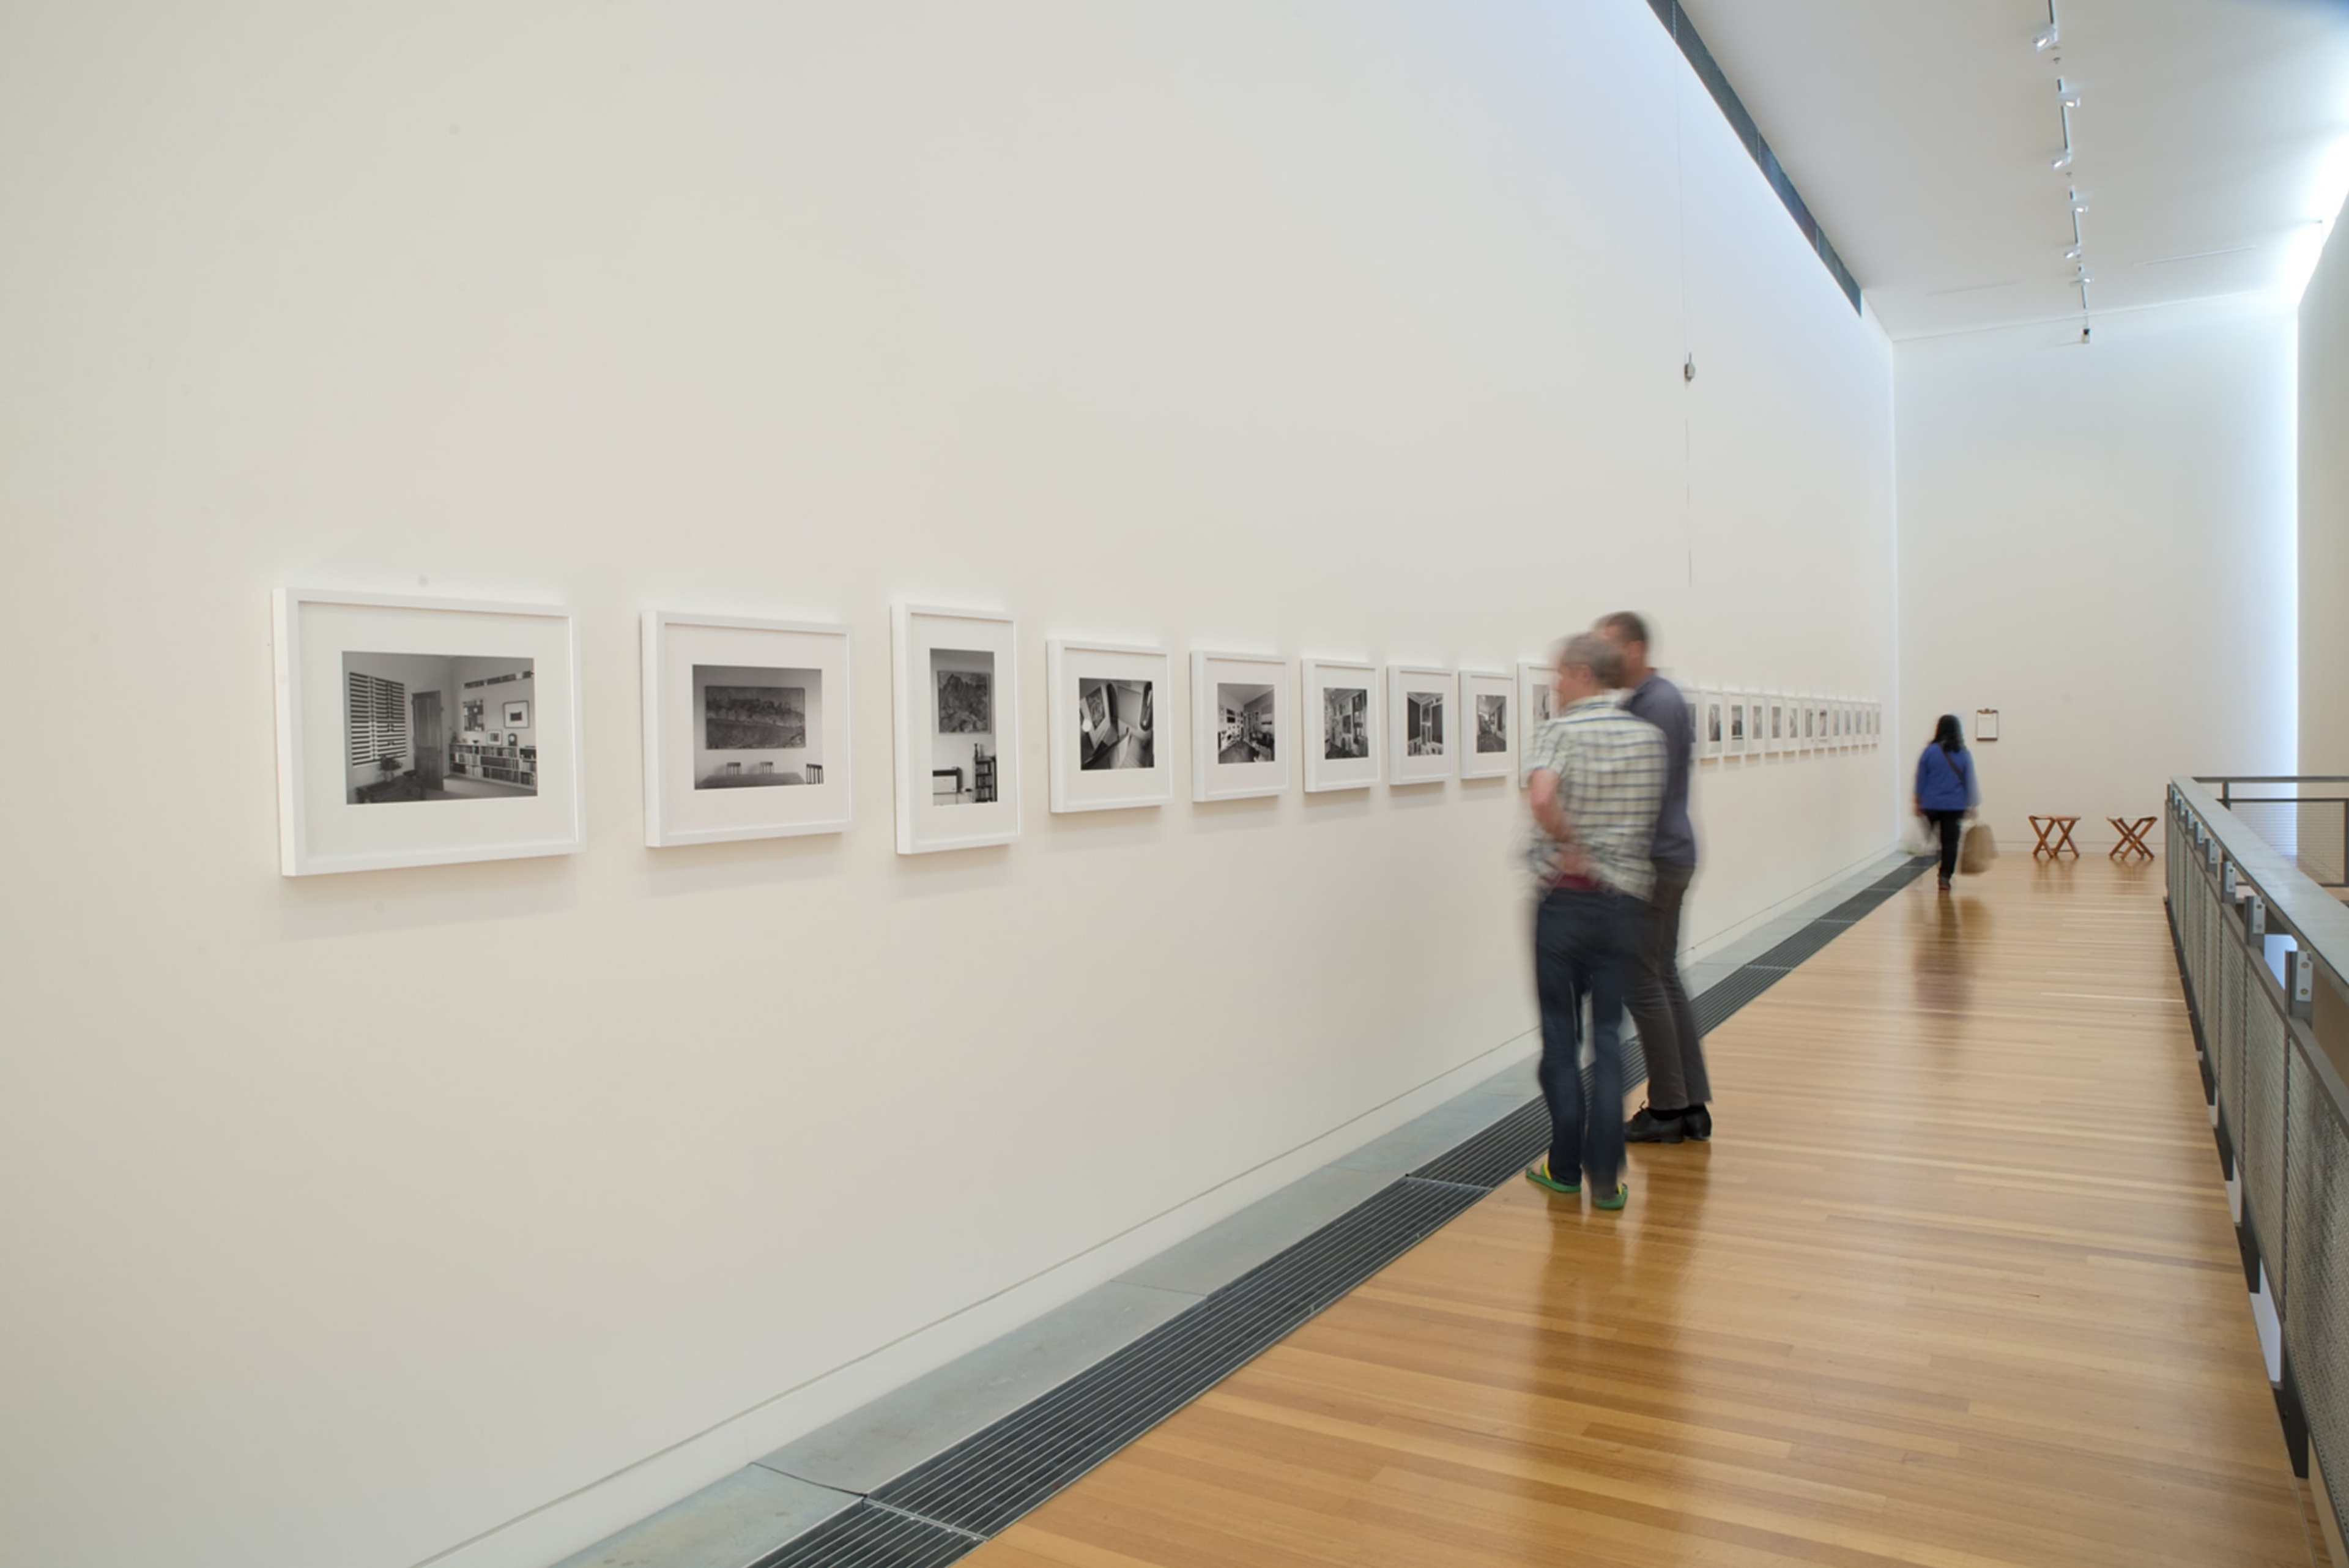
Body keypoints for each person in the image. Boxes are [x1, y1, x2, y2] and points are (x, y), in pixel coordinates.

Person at [1520, 632, 1668, 1212]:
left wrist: (1571, 839)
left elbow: (1540, 797)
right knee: (1608, 1036)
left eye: (1559, 674)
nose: (1555, 685)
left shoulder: (1558, 732)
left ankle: (1562, 1166)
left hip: (1565, 900)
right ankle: (1605, 1179)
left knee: (1560, 1035)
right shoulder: (1648, 738)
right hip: (1626, 902)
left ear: (1583, 673)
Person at [1595, 612, 1710, 1145]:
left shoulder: (1654, 704)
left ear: (1635, 648)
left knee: (1644, 980)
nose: (1601, 660)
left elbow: (1642, 794)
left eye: (1608, 648)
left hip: (1654, 859)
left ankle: (1667, 1107)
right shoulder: (1656, 699)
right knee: (1663, 975)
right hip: (1671, 853)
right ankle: (1688, 1104)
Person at [1914, 714, 1980, 891]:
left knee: (1933, 837)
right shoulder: (1963, 753)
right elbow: (1969, 780)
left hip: (1931, 804)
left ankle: (1934, 857)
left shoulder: (1929, 752)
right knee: (1950, 842)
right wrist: (1972, 804)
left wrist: (1917, 801)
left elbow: (1921, 778)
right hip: (1955, 805)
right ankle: (1945, 877)